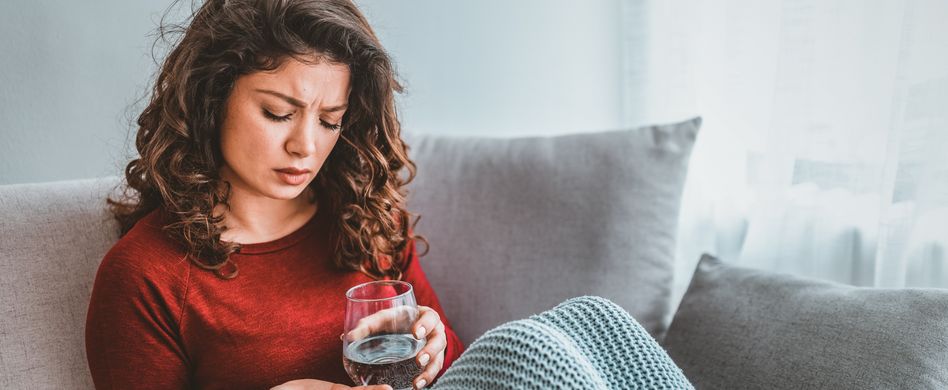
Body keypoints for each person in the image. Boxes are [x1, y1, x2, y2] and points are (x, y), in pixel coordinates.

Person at [84, 1, 464, 389]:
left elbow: (464, 372)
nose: (306, 146)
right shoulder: (147, 276)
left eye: (330, 120)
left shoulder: (368, 221)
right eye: (278, 113)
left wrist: (438, 348)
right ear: (212, 100)